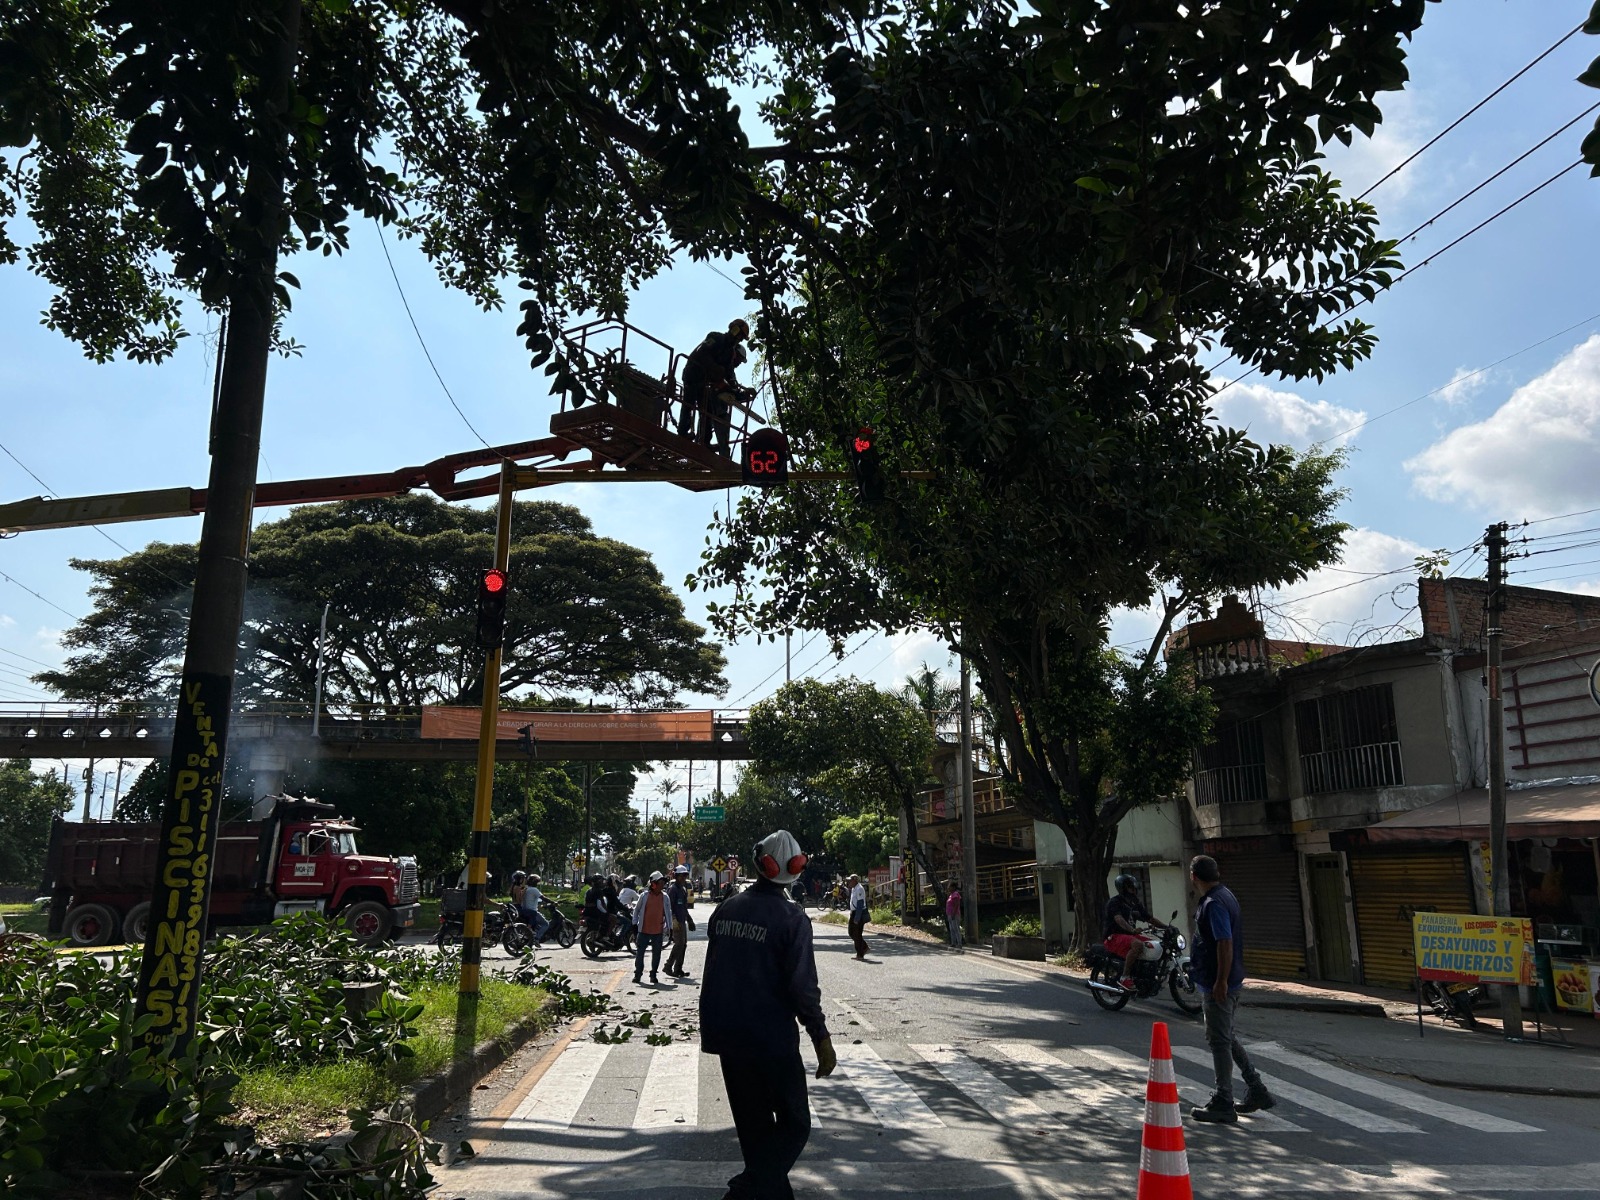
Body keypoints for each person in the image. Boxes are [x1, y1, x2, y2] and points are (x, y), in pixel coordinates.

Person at [701, 829, 835, 1200]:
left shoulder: (725, 909)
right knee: (795, 1125)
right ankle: (743, 1190)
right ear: (796, 868)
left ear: (761, 863)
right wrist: (820, 1036)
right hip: (770, 1039)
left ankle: (760, 1189)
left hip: (728, 1037)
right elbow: (802, 988)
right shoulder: (792, 919)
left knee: (755, 1131)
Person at [1188, 854, 1275, 1124]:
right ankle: (1257, 1088)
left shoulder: (1214, 903)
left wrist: (1220, 981)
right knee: (1226, 1037)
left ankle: (1224, 1100)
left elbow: (1224, 942)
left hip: (1220, 982)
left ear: (1194, 877)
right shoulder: (1226, 895)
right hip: (1225, 979)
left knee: (1219, 1041)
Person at [678, 318, 752, 453]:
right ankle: (682, 433)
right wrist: (716, 369)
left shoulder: (729, 353)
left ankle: (704, 442)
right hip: (693, 373)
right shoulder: (715, 337)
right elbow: (701, 354)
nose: (738, 339)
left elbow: (729, 374)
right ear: (733, 330)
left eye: (741, 338)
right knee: (688, 403)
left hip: (704, 381)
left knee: (706, 411)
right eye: (739, 335)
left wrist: (737, 390)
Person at [1104, 873, 1160, 991]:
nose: (1134, 890)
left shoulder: (1135, 902)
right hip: (1114, 937)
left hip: (1129, 937)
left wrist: (1167, 927)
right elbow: (1119, 919)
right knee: (1138, 944)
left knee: (1155, 945)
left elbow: (1148, 918)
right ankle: (1124, 977)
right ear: (1123, 888)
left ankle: (1145, 976)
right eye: (1130, 887)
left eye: (1134, 887)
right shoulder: (1114, 902)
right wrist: (1132, 930)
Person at [633, 871, 672, 984]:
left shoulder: (665, 897)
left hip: (657, 931)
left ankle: (653, 974)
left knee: (657, 954)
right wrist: (634, 924)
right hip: (644, 930)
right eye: (660, 883)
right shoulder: (644, 896)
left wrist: (670, 929)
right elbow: (636, 911)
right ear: (653, 884)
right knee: (640, 953)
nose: (662, 885)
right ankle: (638, 974)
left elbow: (668, 914)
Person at [664, 864, 694, 977]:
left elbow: (684, 907)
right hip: (675, 921)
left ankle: (678, 969)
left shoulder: (683, 889)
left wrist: (690, 920)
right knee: (679, 944)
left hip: (682, 921)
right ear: (676, 876)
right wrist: (673, 920)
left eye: (685, 876)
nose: (683, 878)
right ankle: (668, 966)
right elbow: (669, 906)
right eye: (681, 876)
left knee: (683, 945)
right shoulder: (673, 890)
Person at [520, 873, 551, 946]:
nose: (537, 884)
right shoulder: (534, 890)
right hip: (532, 911)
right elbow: (543, 898)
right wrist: (553, 902)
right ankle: (537, 939)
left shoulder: (526, 889)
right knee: (546, 924)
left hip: (525, 910)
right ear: (534, 882)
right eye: (537, 882)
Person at [847, 873, 870, 961]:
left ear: (855, 880)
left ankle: (860, 953)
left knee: (857, 934)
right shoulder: (854, 889)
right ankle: (864, 947)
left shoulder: (859, 889)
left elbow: (860, 904)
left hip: (858, 913)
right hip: (854, 912)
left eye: (850, 880)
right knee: (851, 932)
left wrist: (857, 917)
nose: (849, 882)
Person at [945, 880, 963, 950]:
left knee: (956, 929)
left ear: (953, 887)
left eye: (950, 887)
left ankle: (959, 943)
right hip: (950, 914)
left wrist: (953, 913)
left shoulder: (955, 894)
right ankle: (953, 943)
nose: (948, 888)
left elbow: (956, 904)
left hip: (954, 914)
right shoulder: (951, 895)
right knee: (952, 929)